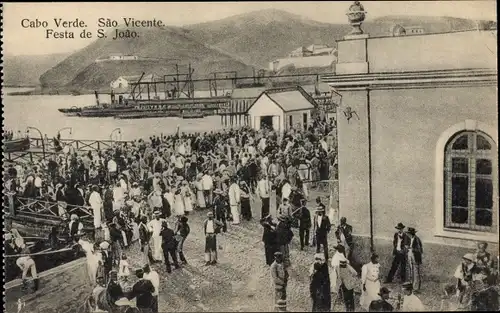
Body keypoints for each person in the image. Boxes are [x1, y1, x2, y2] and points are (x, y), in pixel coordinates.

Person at [406, 227, 423, 292]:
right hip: (411, 256)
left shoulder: (417, 239)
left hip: (415, 258)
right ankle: (412, 286)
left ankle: (416, 288)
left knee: (416, 272)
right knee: (411, 272)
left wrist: (412, 249)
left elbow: (420, 250)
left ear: (411, 234)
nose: (408, 235)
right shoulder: (411, 239)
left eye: (409, 234)